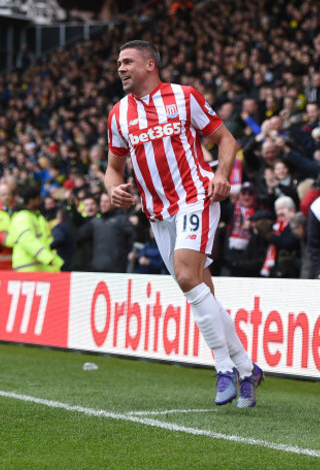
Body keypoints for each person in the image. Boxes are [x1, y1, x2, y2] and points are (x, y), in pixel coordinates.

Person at [104, 40, 262, 408]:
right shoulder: (119, 114)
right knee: (200, 290)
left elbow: (225, 140)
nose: (120, 69)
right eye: (118, 64)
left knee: (187, 277)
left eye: (127, 62)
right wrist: (114, 191)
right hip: (158, 215)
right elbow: (112, 170)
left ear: (150, 65)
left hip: (195, 197)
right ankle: (247, 368)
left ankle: (224, 368)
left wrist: (221, 175)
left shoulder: (183, 96)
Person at [7, 186, 64, 272]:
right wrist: (47, 258)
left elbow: (48, 240)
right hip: (28, 268)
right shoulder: (21, 217)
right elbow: (27, 240)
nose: (41, 201)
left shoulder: (38, 217)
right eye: (38, 199)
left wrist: (55, 260)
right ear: (31, 201)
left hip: (43, 267)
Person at [77, 193, 134, 272]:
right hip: (96, 269)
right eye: (101, 201)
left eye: (106, 201)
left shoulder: (122, 220)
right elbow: (79, 237)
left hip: (117, 269)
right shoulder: (95, 221)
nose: (103, 204)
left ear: (114, 203)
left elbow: (135, 238)